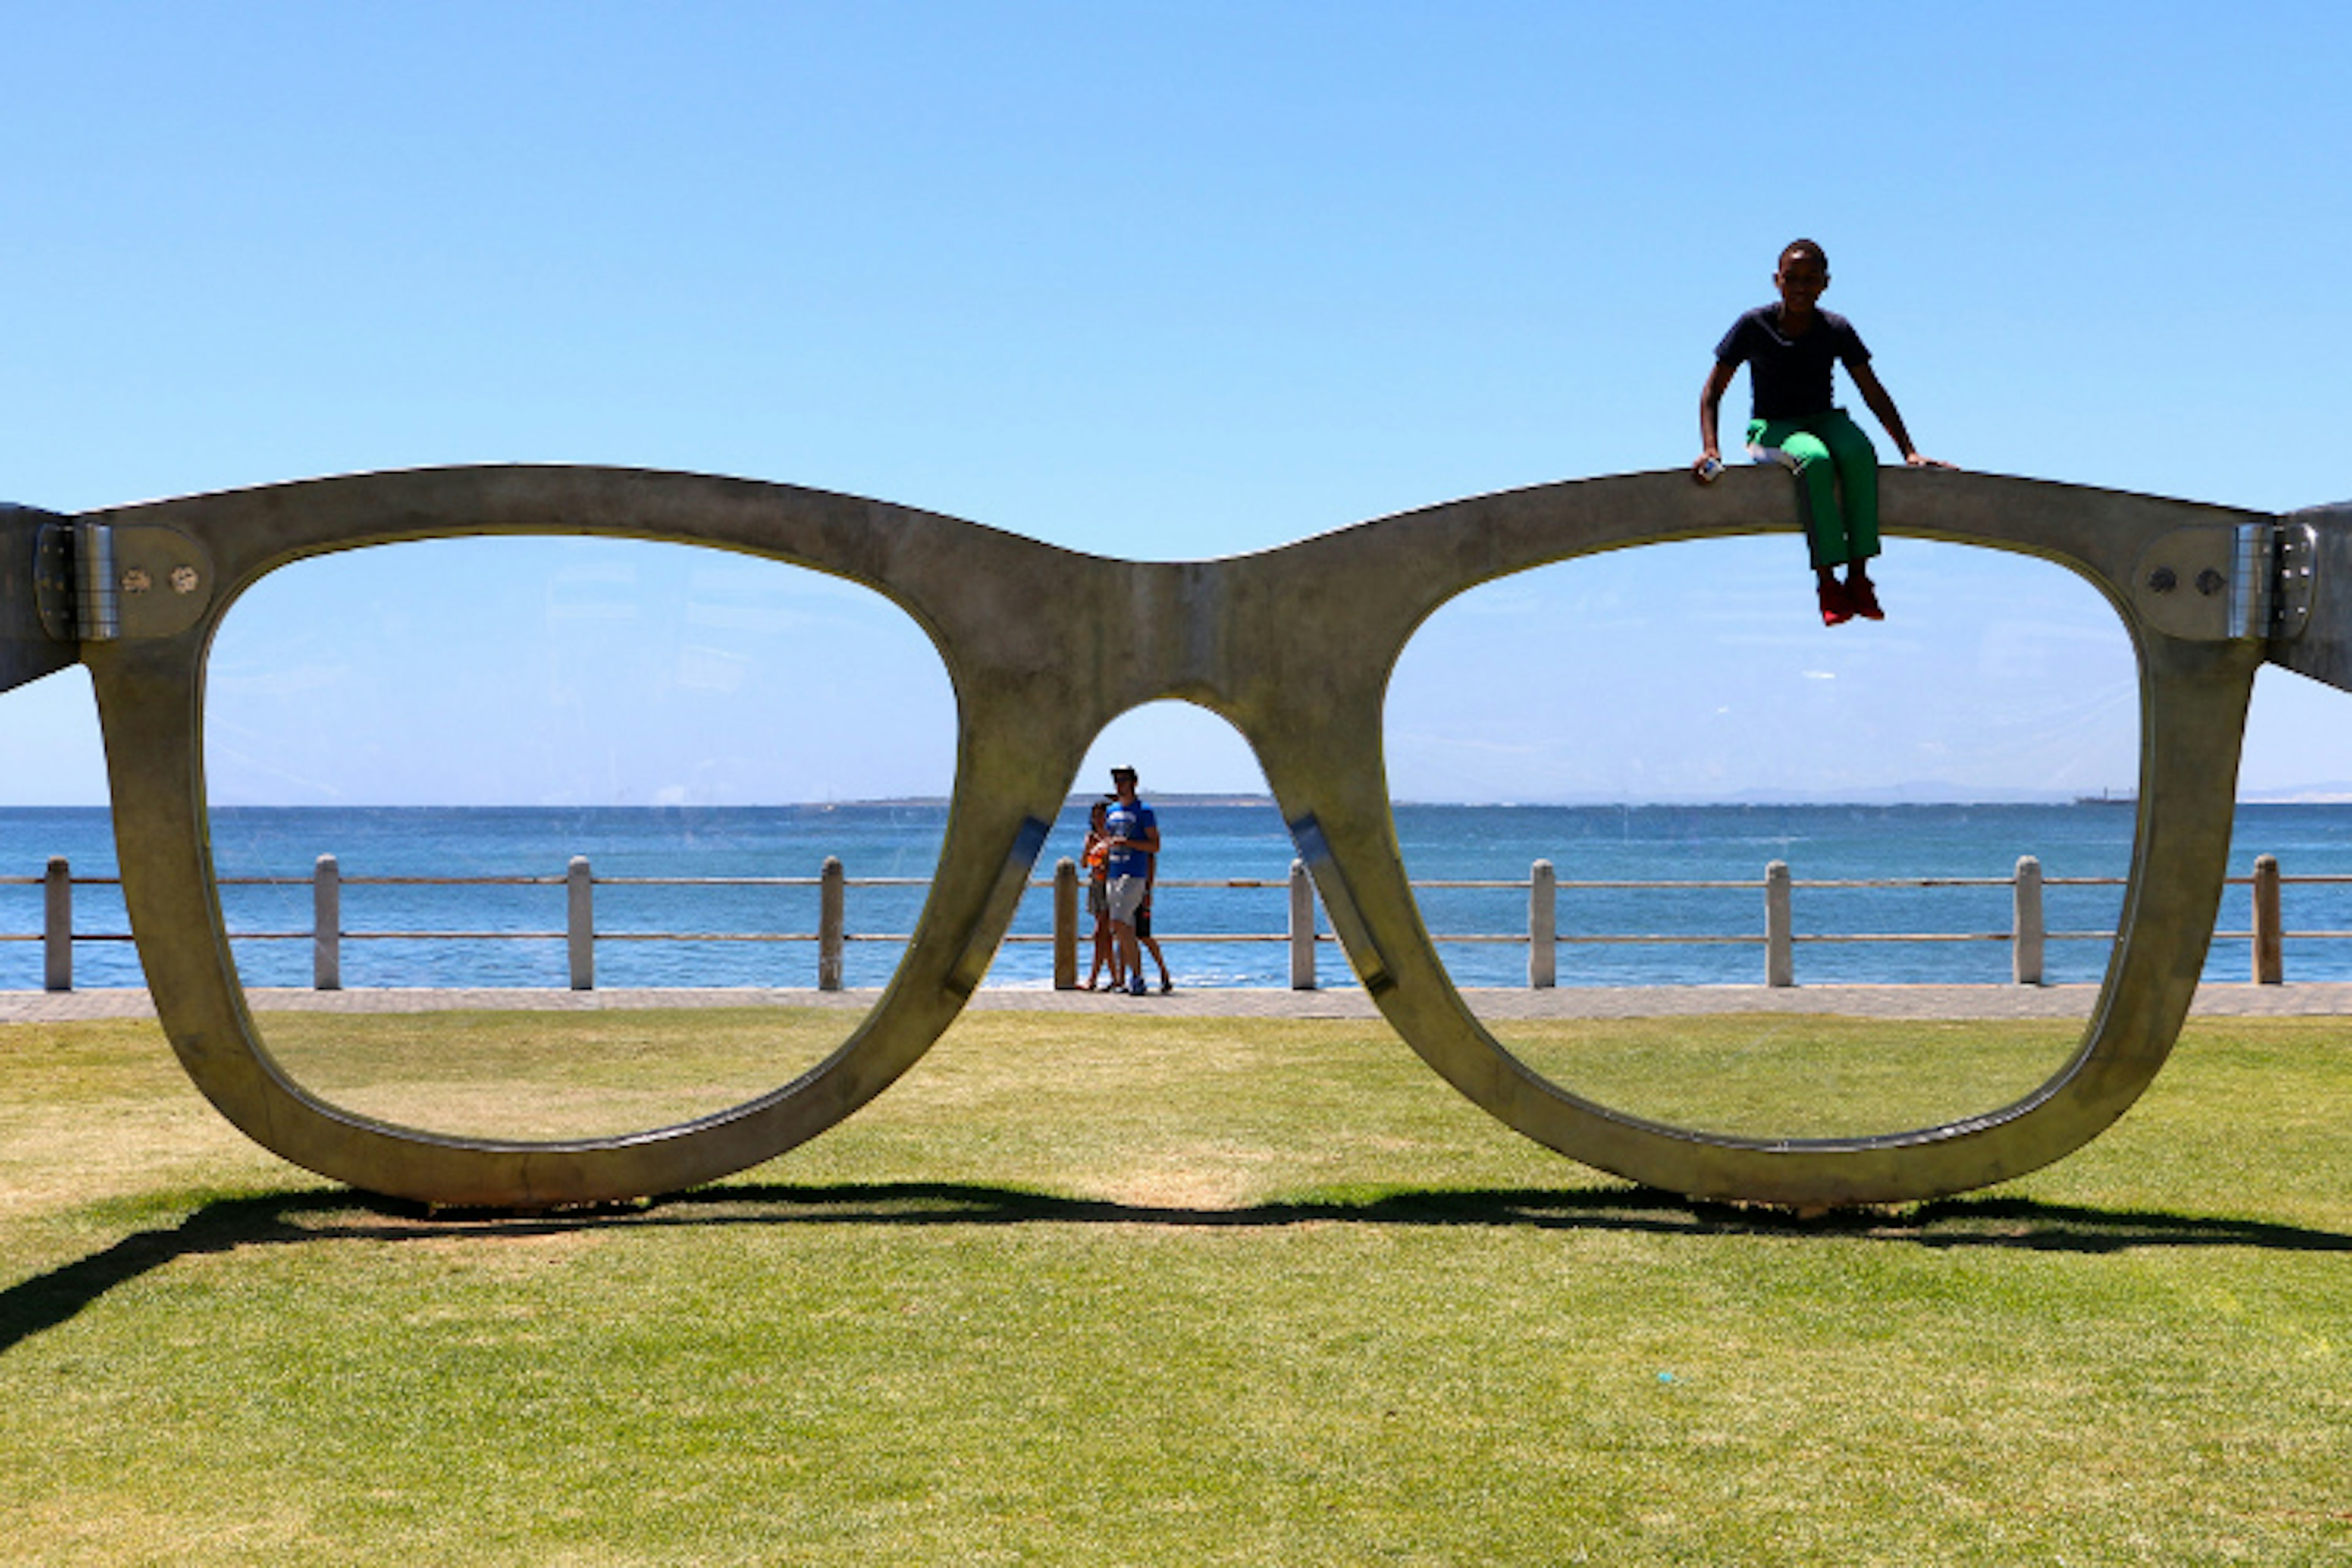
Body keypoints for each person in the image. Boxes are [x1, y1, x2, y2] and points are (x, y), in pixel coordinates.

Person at [1695, 238, 1953, 626]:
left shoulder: (1835, 328)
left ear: (1825, 284)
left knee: (1858, 452)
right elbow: (1712, 392)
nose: (1800, 287)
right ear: (1776, 281)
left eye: (1810, 279)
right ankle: (1828, 582)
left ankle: (1859, 578)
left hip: (1824, 418)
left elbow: (1873, 391)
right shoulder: (1753, 325)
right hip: (1772, 428)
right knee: (1814, 459)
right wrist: (1710, 449)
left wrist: (1909, 452)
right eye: (1792, 278)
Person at [1102, 764, 1159, 997]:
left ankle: (1136, 977)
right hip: (1113, 873)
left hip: (1134, 873)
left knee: (1119, 923)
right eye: (1116, 780)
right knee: (1123, 928)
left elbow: (1155, 846)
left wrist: (1128, 843)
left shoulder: (1144, 811)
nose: (1120, 784)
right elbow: (1109, 840)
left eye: (1124, 780)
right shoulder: (1112, 811)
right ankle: (1123, 979)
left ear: (1134, 782)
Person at [1081, 798, 1125, 991]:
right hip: (1096, 886)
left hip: (1111, 885)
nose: (1098, 819)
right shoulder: (1092, 837)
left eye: (1102, 815)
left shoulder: (1113, 837)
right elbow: (1085, 863)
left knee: (1101, 932)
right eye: (1095, 816)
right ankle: (1115, 977)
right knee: (1104, 935)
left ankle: (1093, 978)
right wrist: (1090, 847)